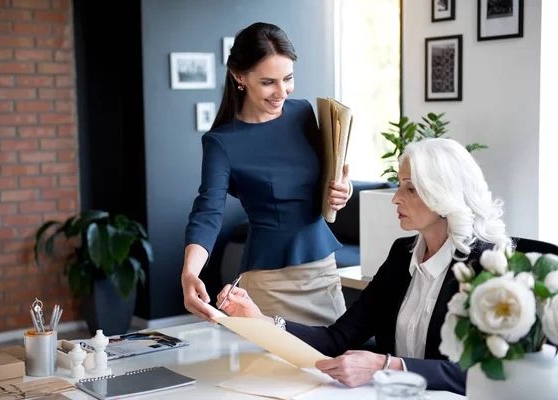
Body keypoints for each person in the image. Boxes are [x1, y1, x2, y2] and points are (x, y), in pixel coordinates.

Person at [215, 138, 512, 395]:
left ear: (443, 195)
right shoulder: (402, 255)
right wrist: (259, 320)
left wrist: (386, 366)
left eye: (410, 189)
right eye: (399, 186)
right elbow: (338, 339)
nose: (396, 197)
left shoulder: (486, 268)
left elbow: (485, 372)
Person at [182, 22, 353, 326]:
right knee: (278, 371)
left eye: (288, 79)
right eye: (268, 82)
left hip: (323, 270)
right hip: (270, 281)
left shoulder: (303, 113)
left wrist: (343, 189)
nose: (281, 92)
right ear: (239, 77)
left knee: (335, 364)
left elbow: (324, 178)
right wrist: (190, 272)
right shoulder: (221, 142)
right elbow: (208, 212)